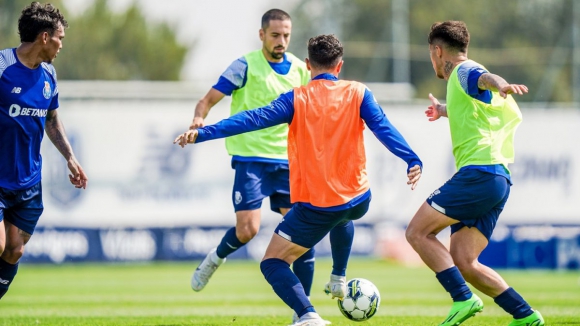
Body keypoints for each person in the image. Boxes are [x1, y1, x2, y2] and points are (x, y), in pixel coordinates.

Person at [175, 34, 422, 326]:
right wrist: (412, 159)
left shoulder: (297, 99)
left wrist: (203, 133)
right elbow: (384, 127)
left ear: (307, 65)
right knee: (343, 216)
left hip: (319, 205)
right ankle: (338, 277)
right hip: (359, 199)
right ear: (340, 66)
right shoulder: (358, 92)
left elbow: (251, 119)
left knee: (272, 263)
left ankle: (307, 316)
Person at [404, 21, 544, 326]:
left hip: (478, 174)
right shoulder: (460, 83)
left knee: (416, 232)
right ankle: (526, 316)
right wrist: (443, 110)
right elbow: (475, 104)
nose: (433, 61)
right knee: (465, 261)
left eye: (431, 54)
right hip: (497, 178)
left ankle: (463, 298)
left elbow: (485, 79)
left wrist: (502, 84)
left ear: (438, 51)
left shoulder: (463, 70)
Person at [188, 9, 322, 322]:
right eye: (275, 35)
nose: (281, 41)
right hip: (250, 160)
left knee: (303, 238)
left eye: (286, 35)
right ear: (262, 35)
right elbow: (207, 100)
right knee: (248, 230)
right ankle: (215, 258)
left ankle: (303, 313)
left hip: (288, 162)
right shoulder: (245, 65)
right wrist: (198, 118)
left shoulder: (302, 71)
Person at [0, 2, 88, 300]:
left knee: (14, 250)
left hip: (27, 181)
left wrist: (70, 157)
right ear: (45, 38)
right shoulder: (1, 67)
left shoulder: (49, 75)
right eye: (60, 37)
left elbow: (51, 120)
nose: (62, 45)